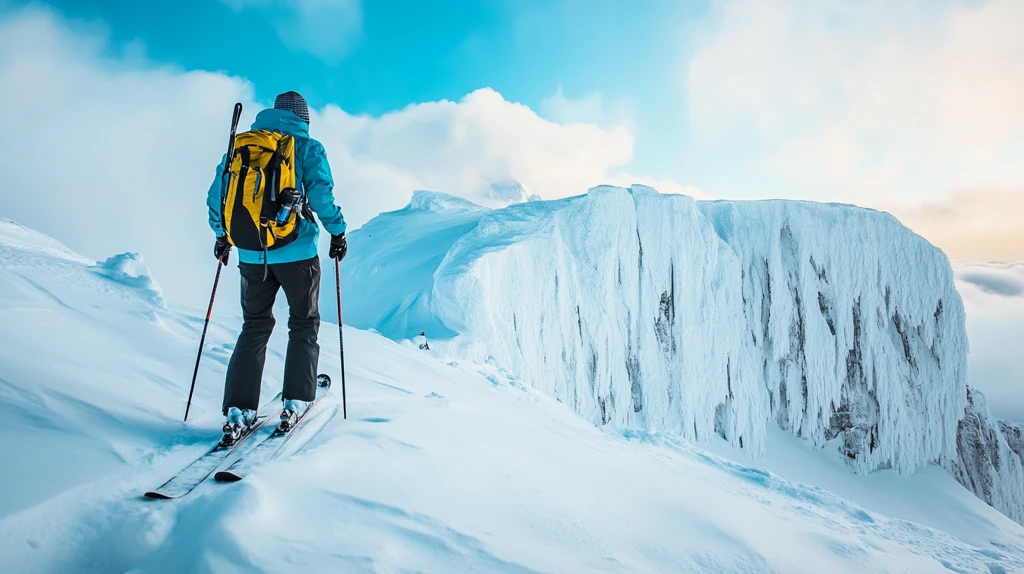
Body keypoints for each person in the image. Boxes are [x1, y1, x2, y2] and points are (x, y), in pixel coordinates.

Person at [206, 91, 349, 442]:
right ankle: (297, 398)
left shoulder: (242, 145)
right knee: (303, 322)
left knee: (254, 325)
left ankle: (239, 408)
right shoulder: (307, 147)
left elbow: (217, 197)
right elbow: (321, 196)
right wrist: (338, 231)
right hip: (296, 250)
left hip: (252, 253)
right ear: (304, 118)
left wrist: (222, 236)